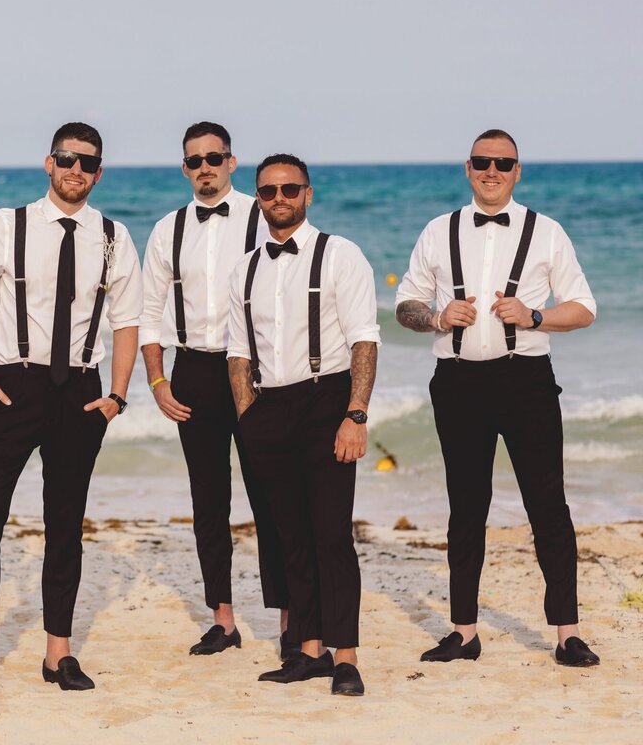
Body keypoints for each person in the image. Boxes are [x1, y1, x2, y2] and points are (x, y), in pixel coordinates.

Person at [0, 122, 142, 692]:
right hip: (12, 389)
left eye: (87, 162)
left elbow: (128, 320)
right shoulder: (8, 225)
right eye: (66, 158)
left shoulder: (113, 238)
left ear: (98, 173)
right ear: (48, 163)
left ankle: (58, 654)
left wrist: (117, 396)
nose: (76, 169)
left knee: (64, 528)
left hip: (81, 394)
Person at [395, 129, 599, 668]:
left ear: (517, 170)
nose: (492, 171)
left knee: (547, 506)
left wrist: (534, 316)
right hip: (458, 382)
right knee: (466, 509)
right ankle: (464, 632)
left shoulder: (547, 232)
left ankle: (566, 634)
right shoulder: (438, 231)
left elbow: (583, 307)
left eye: (503, 163)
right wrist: (437, 317)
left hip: (526, 378)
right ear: (468, 168)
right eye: (483, 162)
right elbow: (404, 303)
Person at [227, 153, 379, 697]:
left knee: (332, 535)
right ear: (259, 198)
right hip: (268, 410)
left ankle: (346, 657)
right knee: (289, 536)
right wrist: (248, 418)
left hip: (327, 401)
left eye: (289, 189)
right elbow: (239, 352)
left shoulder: (341, 256)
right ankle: (307, 652)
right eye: (268, 192)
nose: (279, 200)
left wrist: (355, 415)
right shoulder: (244, 267)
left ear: (307, 194)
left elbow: (364, 339)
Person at [139, 121, 292, 657]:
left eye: (214, 157)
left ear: (230, 161)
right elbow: (149, 312)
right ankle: (223, 620)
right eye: (194, 160)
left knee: (272, 495)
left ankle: (290, 618)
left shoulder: (263, 213)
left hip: (255, 373)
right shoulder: (167, 230)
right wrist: (157, 380)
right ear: (185, 168)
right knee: (209, 500)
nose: (204, 166)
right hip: (193, 373)